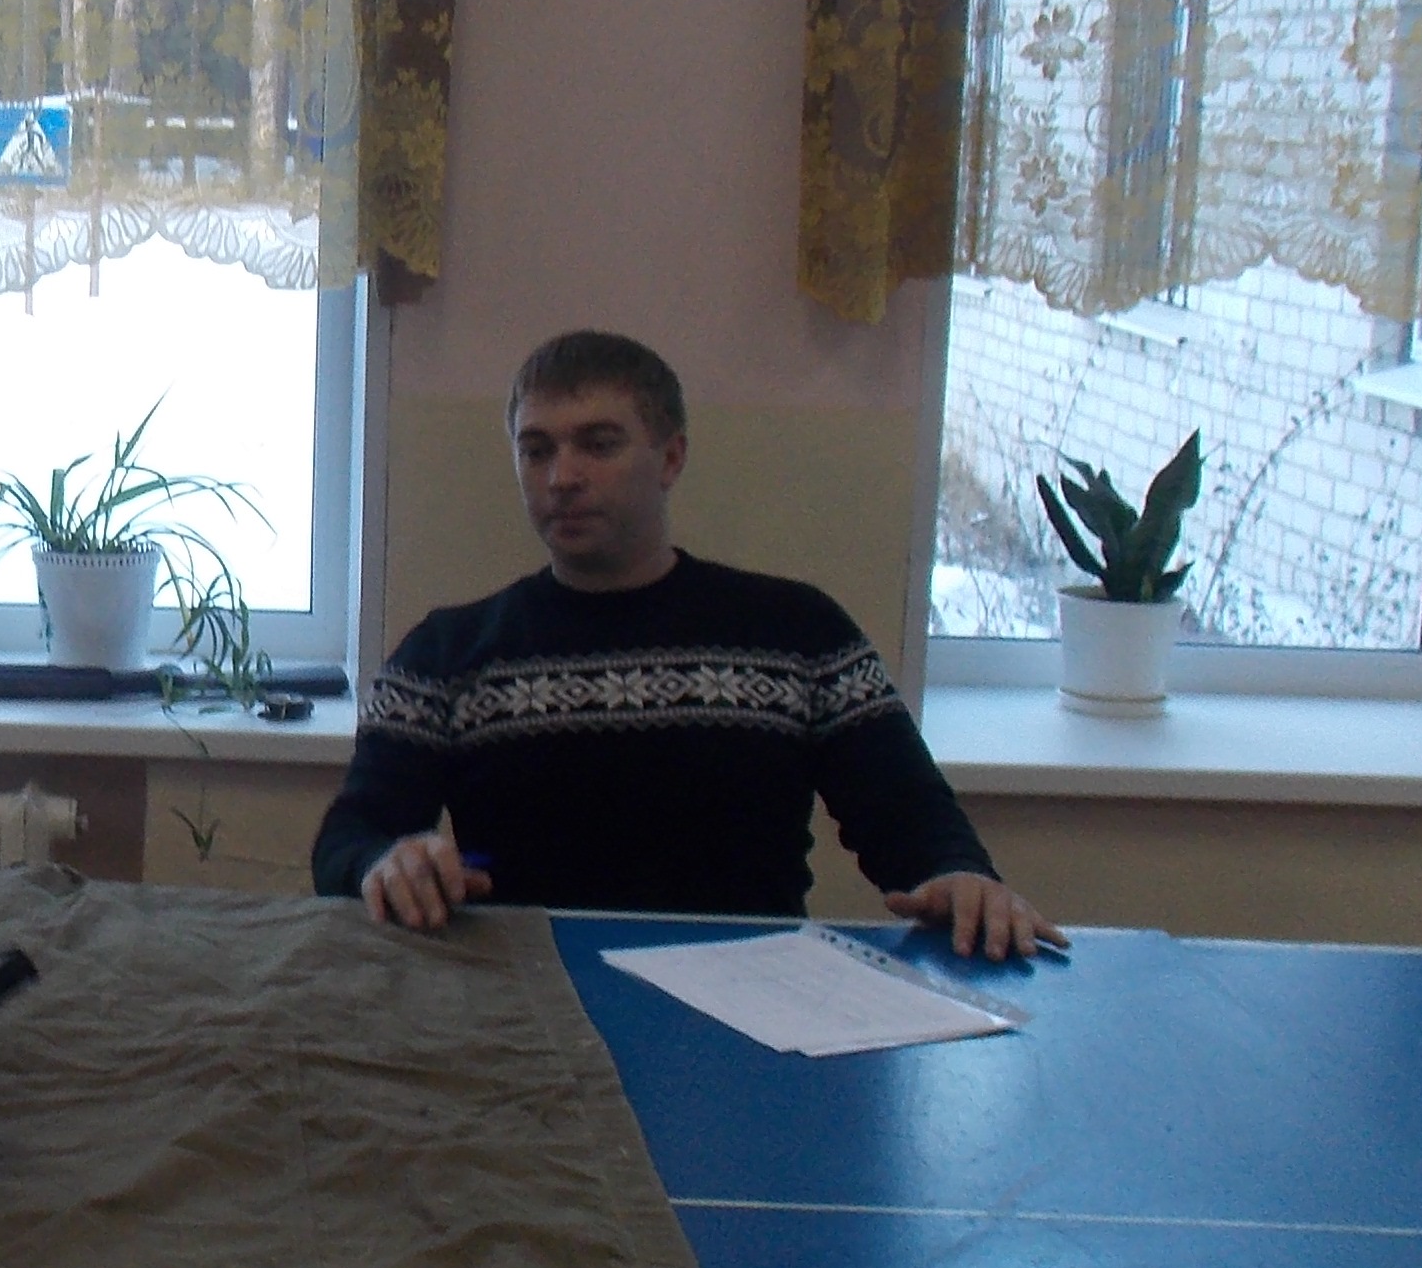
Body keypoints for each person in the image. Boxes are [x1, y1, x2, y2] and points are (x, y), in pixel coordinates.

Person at [314, 329, 1061, 957]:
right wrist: (384, 861)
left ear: (670, 459)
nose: (562, 477)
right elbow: (352, 835)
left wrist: (960, 875)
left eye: (598, 445)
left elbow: (907, 817)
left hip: (756, 1007)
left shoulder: (799, 634)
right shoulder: (444, 655)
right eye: (535, 450)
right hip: (525, 1005)